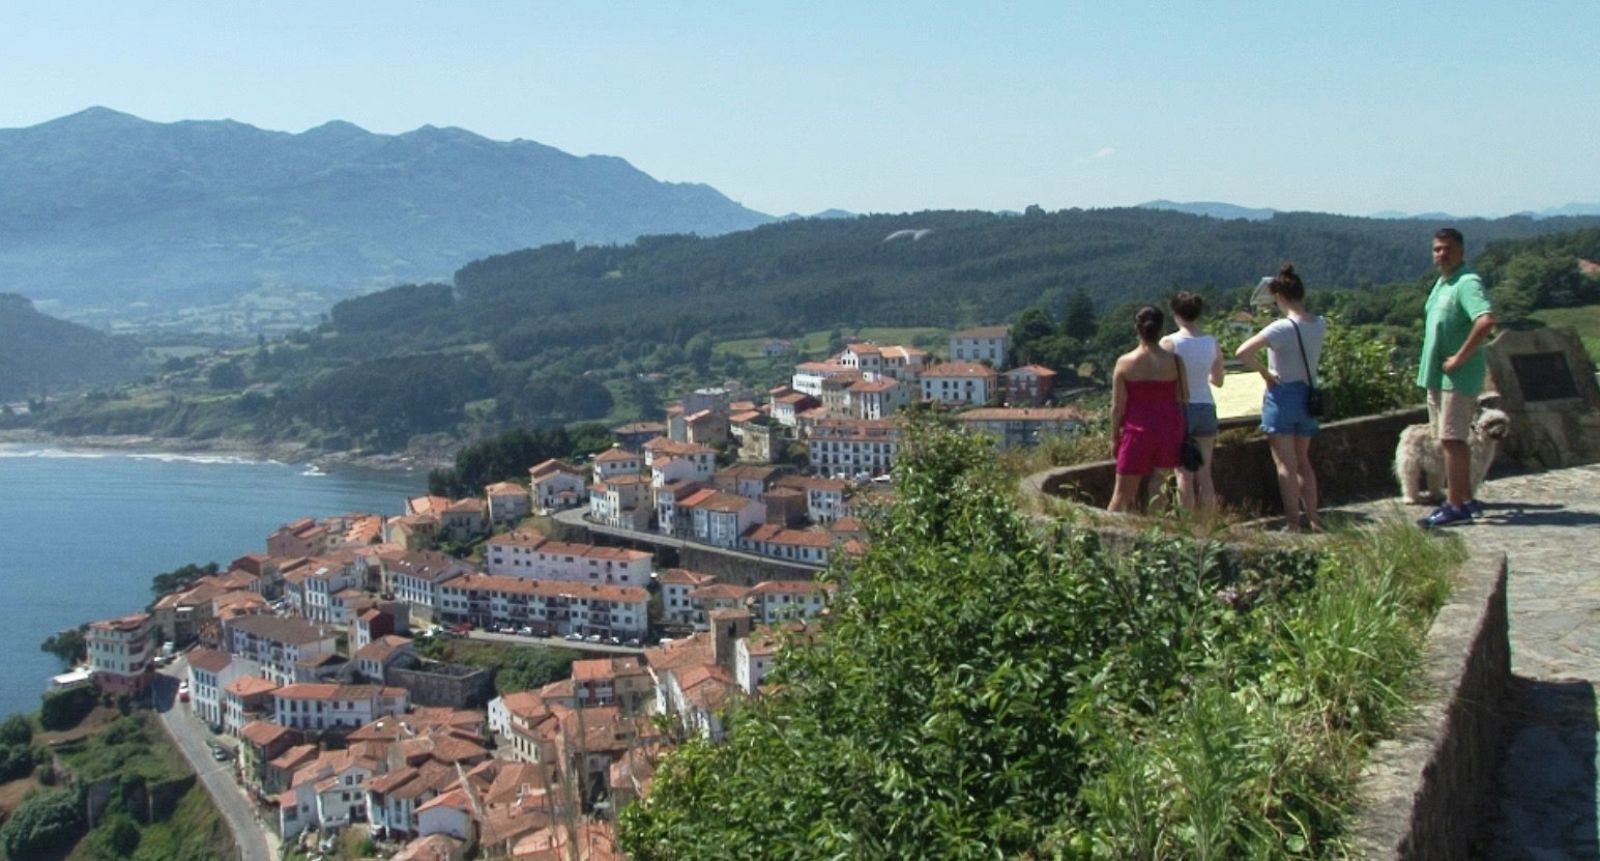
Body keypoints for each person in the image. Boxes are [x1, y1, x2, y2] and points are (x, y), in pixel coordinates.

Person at [1235, 264, 1327, 532]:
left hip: (1282, 395)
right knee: (1304, 462)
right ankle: (1314, 517)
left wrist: (1265, 373)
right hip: (1308, 396)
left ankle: (1293, 523)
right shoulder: (1319, 323)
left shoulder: (1280, 328)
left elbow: (1243, 352)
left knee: (1285, 465)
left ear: (1279, 297)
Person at [1415, 227, 1497, 528]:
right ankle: (1463, 498)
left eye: (1447, 248)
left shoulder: (1467, 282)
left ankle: (1455, 504)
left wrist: (1460, 357)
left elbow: (1486, 320)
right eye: (1436, 249)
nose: (1441, 254)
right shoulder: (1442, 283)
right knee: (1451, 441)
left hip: (1457, 377)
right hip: (1439, 376)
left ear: (1461, 251)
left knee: (1451, 439)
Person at [1108, 305, 1185, 513]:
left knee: (1122, 495)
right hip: (1168, 429)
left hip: (1137, 432)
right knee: (1159, 490)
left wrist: (1114, 437)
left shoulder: (1125, 363)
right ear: (1161, 329)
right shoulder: (1175, 362)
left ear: (1137, 328)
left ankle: (1104, 539)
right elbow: (1182, 398)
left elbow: (1117, 407)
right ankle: (1155, 534)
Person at [1161, 292, 1225, 516]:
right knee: (1204, 473)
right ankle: (1209, 522)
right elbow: (1218, 380)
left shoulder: (1170, 344)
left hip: (1181, 408)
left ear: (1175, 313)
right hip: (1206, 406)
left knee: (1183, 474)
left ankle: (1187, 524)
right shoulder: (1211, 342)